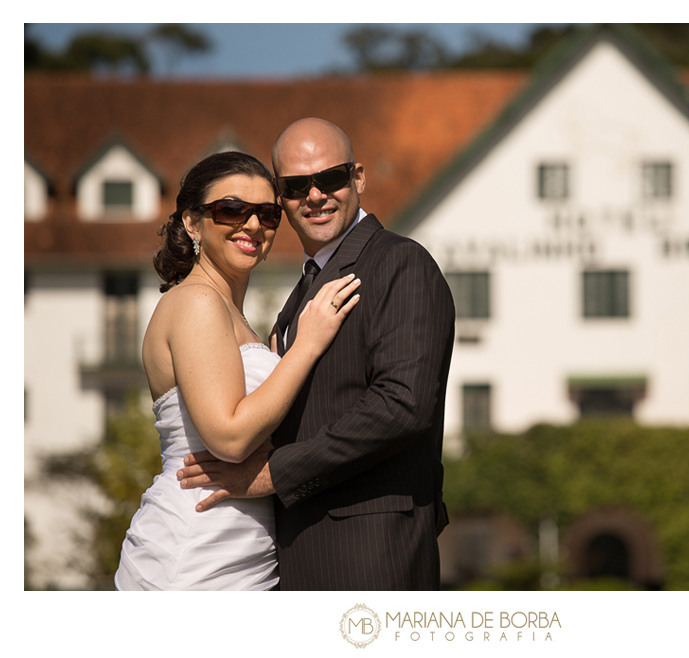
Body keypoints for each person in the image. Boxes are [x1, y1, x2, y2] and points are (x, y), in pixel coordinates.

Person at [177, 118, 456, 590]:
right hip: (289, 550)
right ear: (281, 199)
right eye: (296, 186)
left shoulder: (399, 263)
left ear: (358, 177)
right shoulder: (303, 289)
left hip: (369, 549)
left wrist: (273, 475)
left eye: (329, 178)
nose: (315, 196)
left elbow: (403, 406)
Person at [114, 151, 361, 590]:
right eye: (231, 210)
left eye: (267, 214)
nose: (251, 225)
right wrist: (305, 347)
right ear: (192, 223)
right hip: (197, 549)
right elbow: (229, 437)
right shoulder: (197, 302)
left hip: (241, 549)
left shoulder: (230, 314)